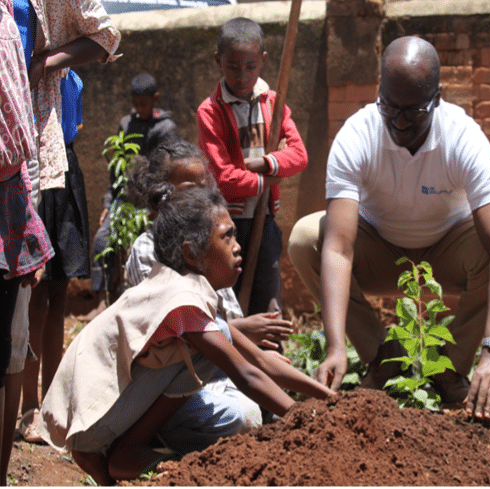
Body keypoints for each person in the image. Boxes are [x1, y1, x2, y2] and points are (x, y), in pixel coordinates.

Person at [288, 36, 490, 420]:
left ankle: (452, 371)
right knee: (306, 239)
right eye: (390, 107)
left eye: (414, 111)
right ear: (378, 91)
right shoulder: (357, 136)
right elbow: (338, 248)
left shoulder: (462, 137)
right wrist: (336, 346)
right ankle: (384, 357)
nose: (399, 122)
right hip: (379, 251)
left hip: (446, 253)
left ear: (438, 97)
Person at [37, 185, 334, 486]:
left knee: (218, 336)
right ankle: (128, 455)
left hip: (99, 414)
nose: (237, 245)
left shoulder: (185, 287)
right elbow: (247, 375)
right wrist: (305, 420)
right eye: (226, 236)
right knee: (212, 347)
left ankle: (129, 450)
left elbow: (257, 359)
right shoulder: (182, 299)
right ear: (191, 253)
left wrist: (329, 400)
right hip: (90, 420)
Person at [124, 141, 295, 454]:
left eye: (204, 185)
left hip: (216, 371)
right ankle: (161, 446)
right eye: (189, 187)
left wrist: (253, 349)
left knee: (269, 387)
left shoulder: (208, 247)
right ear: (161, 194)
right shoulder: (149, 250)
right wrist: (243, 332)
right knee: (244, 416)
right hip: (175, 383)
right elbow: (187, 335)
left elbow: (223, 326)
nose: (201, 194)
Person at [15, 0, 120, 456]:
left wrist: (47, 60)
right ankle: (23, 406)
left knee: (53, 290)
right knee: (25, 296)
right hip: (14, 158)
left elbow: (107, 36)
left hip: (52, 154)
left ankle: (47, 408)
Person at [197, 17, 308, 317]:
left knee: (269, 297)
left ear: (263, 61)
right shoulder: (211, 112)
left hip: (266, 217)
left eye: (251, 66)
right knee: (228, 302)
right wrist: (268, 179)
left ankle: (273, 357)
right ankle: (232, 360)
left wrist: (261, 163)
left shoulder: (274, 103)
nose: (243, 76)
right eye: (233, 66)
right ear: (218, 61)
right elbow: (223, 178)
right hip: (228, 224)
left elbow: (299, 156)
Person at [0, 0, 55, 485]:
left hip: (11, 203)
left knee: (14, 344)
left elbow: (18, 144)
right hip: (13, 197)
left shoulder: (5, 27)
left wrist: (29, 219)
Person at [84, 73, 180, 321]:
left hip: (152, 201)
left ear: (155, 99)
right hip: (126, 200)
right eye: (136, 103)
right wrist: (108, 202)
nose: (139, 109)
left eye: (144, 103)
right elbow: (118, 168)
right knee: (102, 240)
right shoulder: (126, 124)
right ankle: (103, 301)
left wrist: (156, 206)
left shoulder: (166, 129)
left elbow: (164, 171)